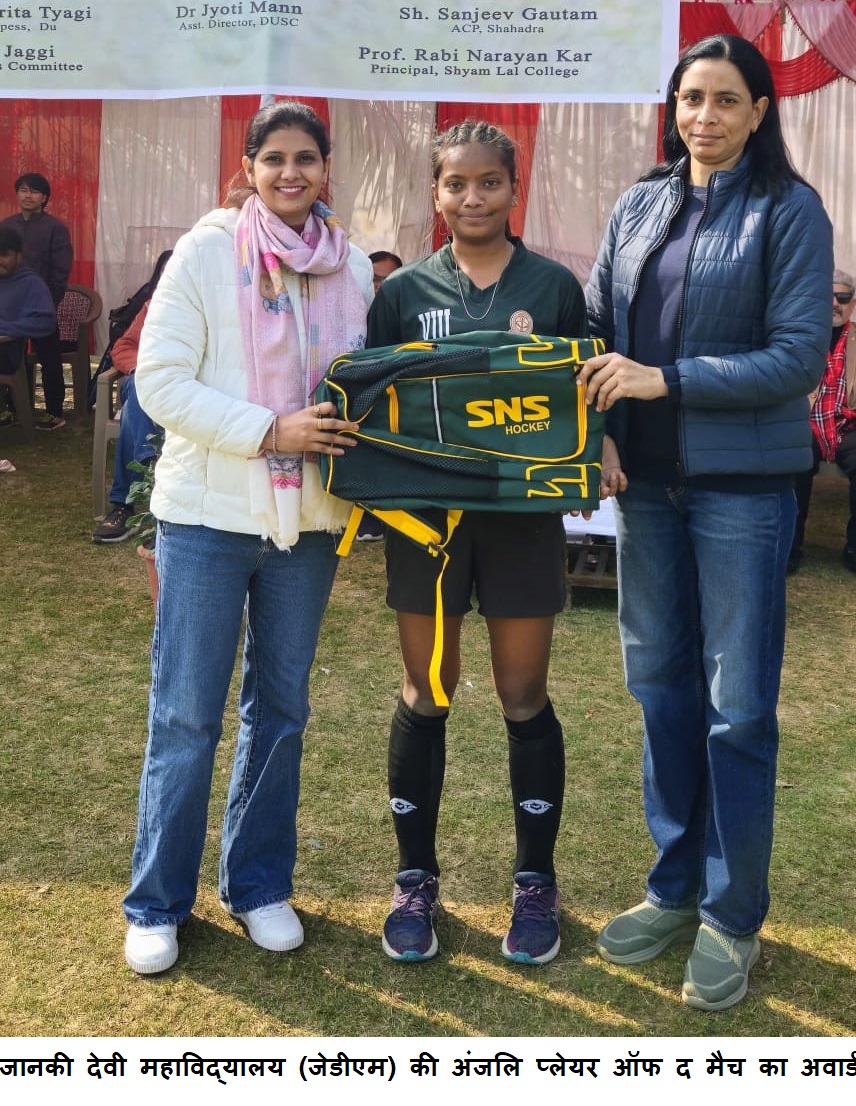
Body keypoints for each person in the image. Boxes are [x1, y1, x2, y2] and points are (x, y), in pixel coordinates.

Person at [580, 33, 832, 1011]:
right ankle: (673, 887)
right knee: (659, 690)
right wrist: (600, 430)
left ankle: (731, 915)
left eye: (726, 99)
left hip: (742, 492)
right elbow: (597, 328)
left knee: (737, 708)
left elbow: (796, 358)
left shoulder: (788, 209)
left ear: (759, 111)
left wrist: (665, 379)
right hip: (644, 489)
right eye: (691, 98)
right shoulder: (640, 203)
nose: (705, 116)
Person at [122, 100, 373, 975]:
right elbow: (160, 382)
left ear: (326, 168)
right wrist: (271, 430)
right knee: (187, 712)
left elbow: (364, 387)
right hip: (208, 517)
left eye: (306, 158)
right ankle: (157, 903)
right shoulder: (206, 251)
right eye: (275, 159)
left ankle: (259, 884)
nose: (291, 173)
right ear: (249, 168)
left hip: (309, 524)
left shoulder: (351, 267)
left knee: (282, 708)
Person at [366, 119, 591, 967]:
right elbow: (374, 401)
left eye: (489, 182)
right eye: (455, 183)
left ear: (513, 189)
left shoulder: (553, 287)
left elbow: (582, 389)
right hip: (427, 522)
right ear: (436, 193)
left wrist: (598, 452)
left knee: (522, 693)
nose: (472, 197)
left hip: (521, 521)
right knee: (428, 688)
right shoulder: (401, 293)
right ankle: (414, 879)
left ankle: (535, 882)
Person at [790, 269, 856, 583]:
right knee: (792, 457)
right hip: (805, 422)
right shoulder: (796, 336)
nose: (834, 304)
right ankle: (789, 548)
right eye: (827, 297)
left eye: (842, 297)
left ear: (853, 303)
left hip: (850, 424)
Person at [91, 251, 173, 543]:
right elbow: (123, 347)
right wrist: (144, 369)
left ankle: (127, 505)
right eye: (165, 274)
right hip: (146, 381)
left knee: (132, 412)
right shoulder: (152, 307)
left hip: (182, 391)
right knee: (139, 390)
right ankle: (145, 466)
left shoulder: (212, 312)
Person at [0, 173, 73, 430]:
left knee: (48, 357)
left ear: (44, 197)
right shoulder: (7, 226)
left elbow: (60, 271)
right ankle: (14, 409)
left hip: (42, 305)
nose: (27, 195)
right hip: (11, 306)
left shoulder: (55, 228)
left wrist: (47, 302)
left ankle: (54, 412)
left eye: (34, 191)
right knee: (10, 356)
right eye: (23, 190)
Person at [353, 249, 405, 542]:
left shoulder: (403, 314)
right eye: (375, 279)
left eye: (389, 280)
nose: (380, 287)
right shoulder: (350, 314)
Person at [0, 227, 56, 425]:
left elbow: (45, 322)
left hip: (2, 352)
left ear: (18, 255)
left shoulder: (32, 284)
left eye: (4, 255)